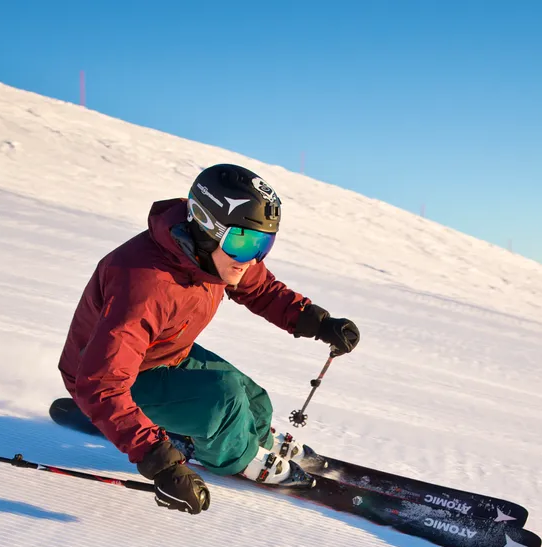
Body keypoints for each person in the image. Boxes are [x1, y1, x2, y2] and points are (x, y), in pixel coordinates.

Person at [58, 163, 360, 515]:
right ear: (205, 225)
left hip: (162, 354)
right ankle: (238, 457)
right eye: (243, 241)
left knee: (253, 400)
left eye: (263, 243)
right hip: (106, 377)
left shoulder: (211, 256)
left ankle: (256, 440)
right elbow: (102, 384)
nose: (251, 259)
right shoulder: (145, 286)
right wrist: (161, 463)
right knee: (225, 401)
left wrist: (317, 322)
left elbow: (260, 288)